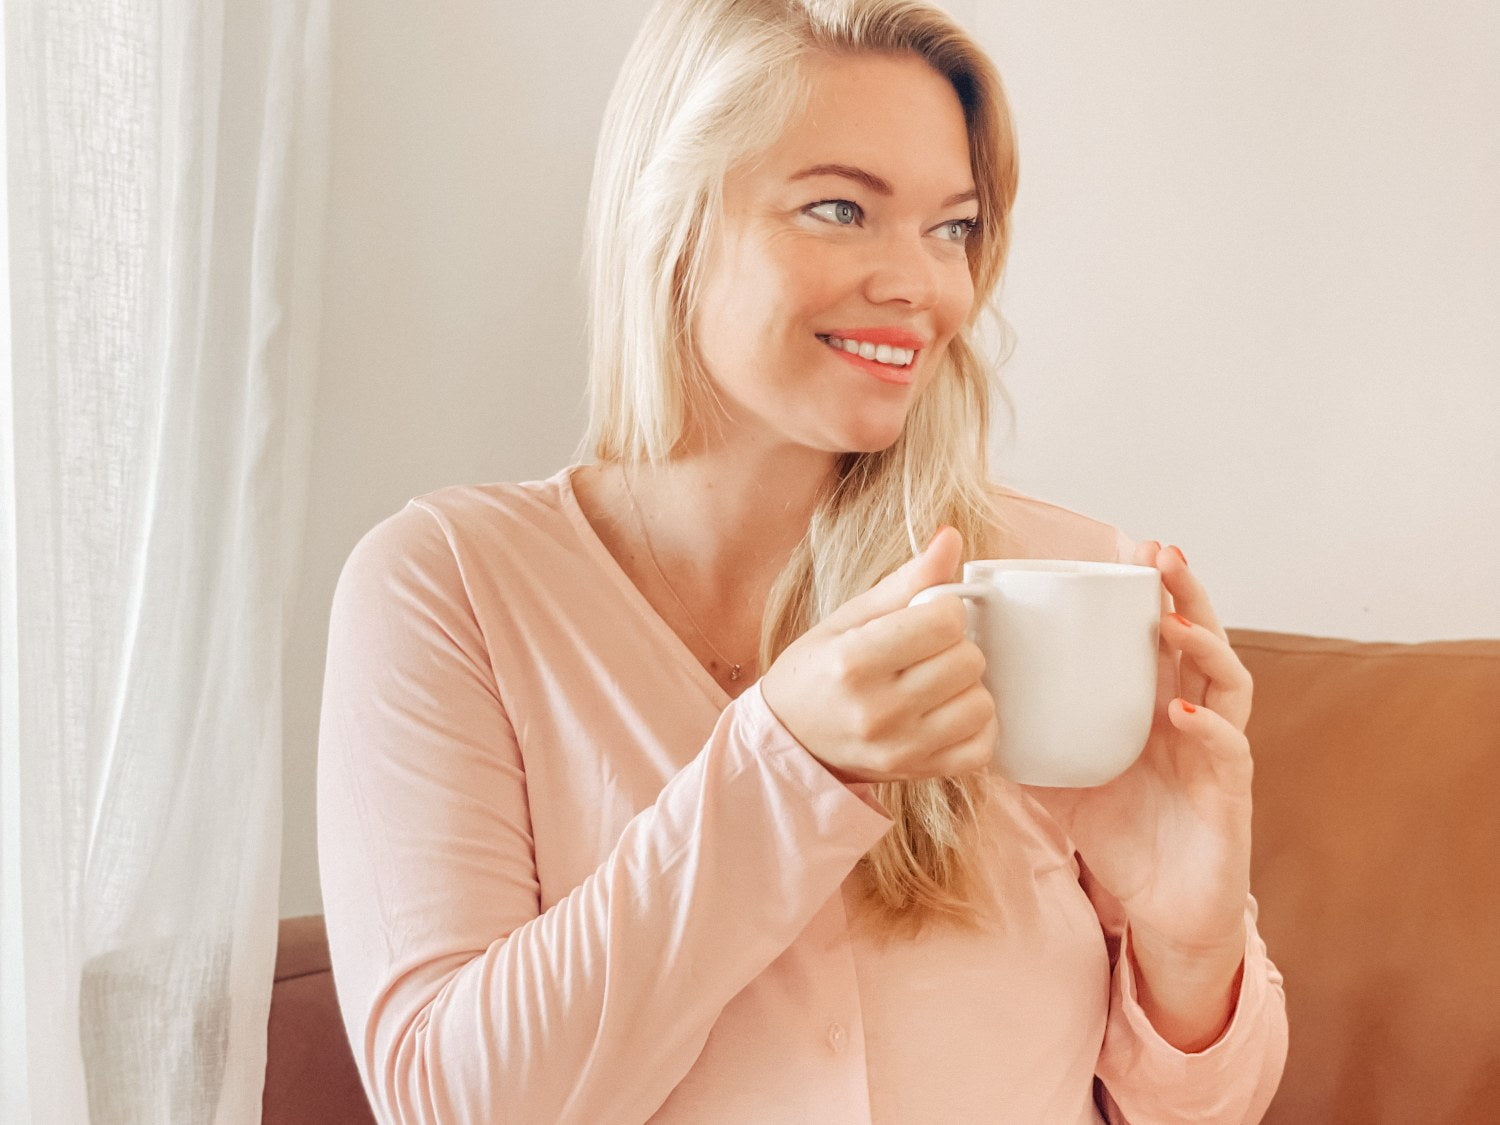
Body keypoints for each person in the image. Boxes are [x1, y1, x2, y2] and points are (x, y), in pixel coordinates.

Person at [316, 0, 1289, 1120]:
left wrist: (1191, 940)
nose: (922, 286)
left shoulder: (1067, 588)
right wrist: (784, 766)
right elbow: (453, 1105)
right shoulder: (449, 589)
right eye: (840, 209)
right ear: (673, 219)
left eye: (953, 227)